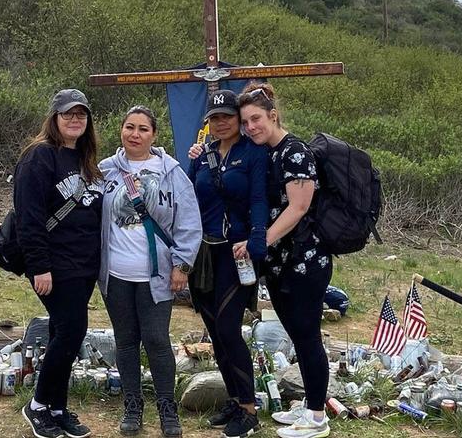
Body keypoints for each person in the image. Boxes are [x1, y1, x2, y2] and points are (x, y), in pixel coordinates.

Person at [98, 105, 203, 438]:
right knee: (125, 341)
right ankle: (132, 405)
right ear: (121, 130)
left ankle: (166, 409)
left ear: (154, 135)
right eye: (130, 127)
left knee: (157, 340)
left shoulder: (172, 172)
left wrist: (182, 264)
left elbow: (189, 223)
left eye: (143, 129)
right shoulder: (104, 171)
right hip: (116, 274)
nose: (135, 134)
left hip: (157, 275)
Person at [235, 83, 332, 438]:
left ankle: (318, 416)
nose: (251, 127)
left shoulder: (295, 152)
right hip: (280, 262)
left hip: (305, 261)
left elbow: (300, 206)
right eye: (245, 122)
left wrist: (260, 241)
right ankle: (309, 406)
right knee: (297, 334)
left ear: (273, 115)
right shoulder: (268, 152)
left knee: (307, 337)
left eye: (256, 119)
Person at [16, 89, 104, 438]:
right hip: (55, 264)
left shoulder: (85, 159)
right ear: (54, 117)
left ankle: (57, 406)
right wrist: (39, 266)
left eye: (81, 114)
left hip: (84, 266)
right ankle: (37, 405)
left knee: (61, 332)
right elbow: (29, 218)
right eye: (68, 114)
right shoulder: (39, 157)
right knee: (71, 331)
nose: (75, 119)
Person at [186, 89, 268, 438]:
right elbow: (189, 197)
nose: (221, 123)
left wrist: (257, 239)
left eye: (227, 117)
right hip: (204, 252)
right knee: (213, 328)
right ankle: (233, 399)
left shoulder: (254, 154)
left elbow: (259, 198)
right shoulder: (202, 155)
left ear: (239, 119)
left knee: (229, 327)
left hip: (237, 252)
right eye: (214, 118)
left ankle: (249, 409)